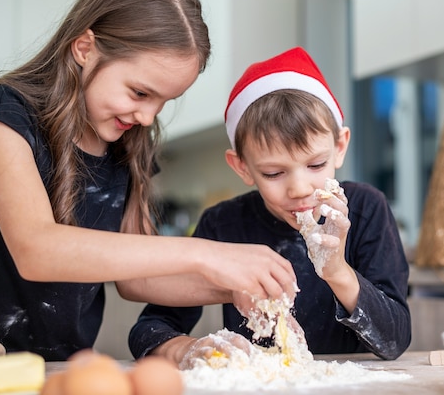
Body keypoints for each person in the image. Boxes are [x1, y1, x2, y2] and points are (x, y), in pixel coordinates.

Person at [0, 0, 297, 362]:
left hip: (62, 369)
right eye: (139, 92)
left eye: (164, 101)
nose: (148, 116)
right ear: (84, 48)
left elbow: (138, 279)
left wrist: (234, 284)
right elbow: (36, 248)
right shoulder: (5, 117)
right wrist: (206, 254)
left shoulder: (127, 143)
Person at [128, 47, 412, 364]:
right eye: (273, 173)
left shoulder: (365, 209)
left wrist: (337, 271)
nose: (300, 189)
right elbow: (150, 327)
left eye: (316, 165)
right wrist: (183, 347)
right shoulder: (224, 225)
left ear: (339, 147)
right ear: (243, 167)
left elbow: (395, 339)